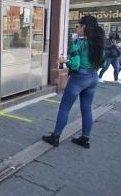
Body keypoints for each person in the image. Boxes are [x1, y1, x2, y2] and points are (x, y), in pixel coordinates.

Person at [42, 15, 105, 149]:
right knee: (87, 109)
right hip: (93, 78)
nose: (77, 28)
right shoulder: (99, 44)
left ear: (84, 27)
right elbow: (103, 63)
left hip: (79, 79)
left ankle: (55, 137)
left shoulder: (79, 44)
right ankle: (85, 139)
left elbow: (75, 65)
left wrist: (65, 61)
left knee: (65, 108)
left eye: (78, 25)